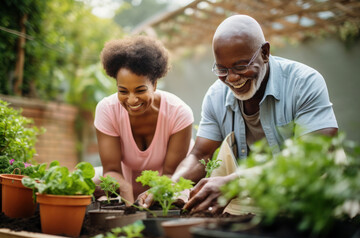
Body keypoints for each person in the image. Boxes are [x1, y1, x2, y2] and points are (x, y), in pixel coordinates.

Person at [137, 14, 338, 213]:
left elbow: (312, 156)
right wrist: (170, 185)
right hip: (258, 200)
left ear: (265, 53)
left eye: (241, 66)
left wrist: (235, 182)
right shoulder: (216, 96)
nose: (232, 78)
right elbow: (201, 154)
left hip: (313, 199)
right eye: (222, 69)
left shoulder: (303, 83)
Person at [94, 35, 194, 204]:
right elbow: (111, 170)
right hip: (125, 181)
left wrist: (154, 195)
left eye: (140, 90)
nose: (132, 100)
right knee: (85, 182)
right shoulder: (107, 110)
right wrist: (127, 194)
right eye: (123, 91)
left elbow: (170, 174)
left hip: (167, 184)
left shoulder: (178, 112)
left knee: (180, 199)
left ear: (154, 84)